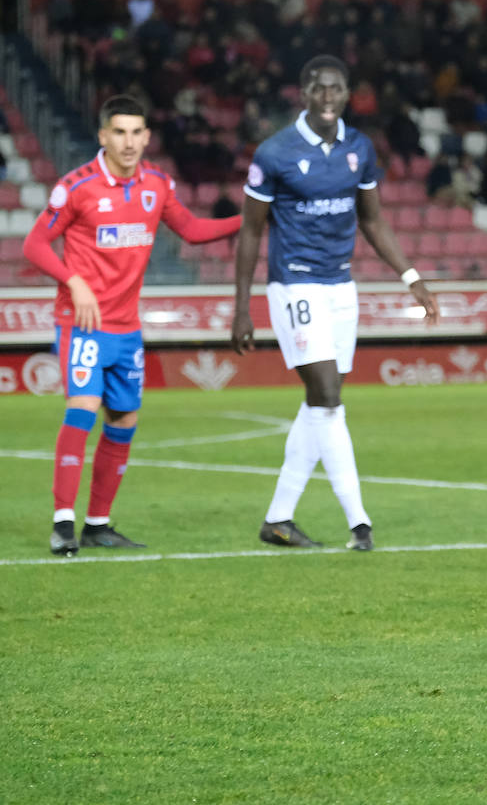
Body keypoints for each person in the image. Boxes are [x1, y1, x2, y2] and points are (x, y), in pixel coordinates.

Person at [231, 55, 438, 551]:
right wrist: (241, 305)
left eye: (337, 89)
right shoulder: (275, 152)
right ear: (303, 92)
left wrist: (410, 277)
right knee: (327, 397)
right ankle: (359, 522)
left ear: (347, 95)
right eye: (320, 88)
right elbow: (251, 231)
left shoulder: (358, 149)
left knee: (318, 405)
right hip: (294, 285)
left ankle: (278, 519)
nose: (329, 97)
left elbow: (372, 220)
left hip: (340, 288)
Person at [23, 94, 242, 556]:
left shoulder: (157, 185)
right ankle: (64, 522)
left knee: (123, 419)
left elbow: (192, 231)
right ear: (103, 136)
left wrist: (250, 220)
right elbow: (35, 245)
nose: (128, 142)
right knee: (82, 411)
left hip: (126, 329)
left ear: (146, 137)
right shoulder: (77, 186)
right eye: (118, 132)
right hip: (82, 322)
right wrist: (73, 280)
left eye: (136, 132)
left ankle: (98, 524)